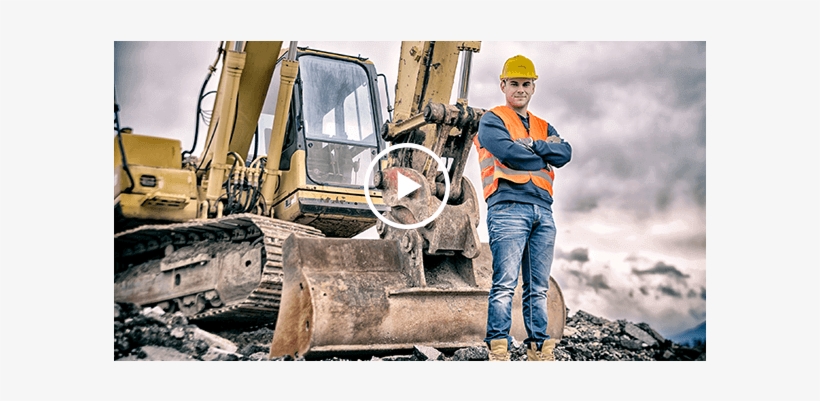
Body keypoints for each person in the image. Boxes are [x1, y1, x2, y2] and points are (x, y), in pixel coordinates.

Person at [474, 55, 572, 361]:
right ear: (503, 85)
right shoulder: (492, 119)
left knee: (538, 287)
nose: (520, 89)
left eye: (526, 84)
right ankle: (499, 350)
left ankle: (539, 351)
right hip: (508, 207)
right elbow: (508, 153)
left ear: (533, 87)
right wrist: (544, 153)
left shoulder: (544, 125)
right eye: (514, 83)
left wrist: (536, 146)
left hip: (543, 211)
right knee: (504, 284)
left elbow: (565, 152)